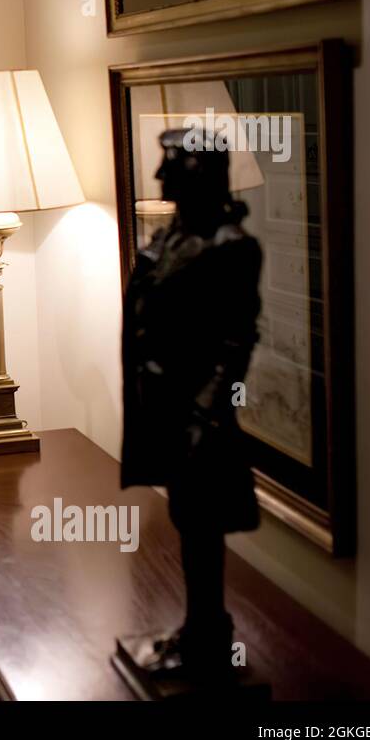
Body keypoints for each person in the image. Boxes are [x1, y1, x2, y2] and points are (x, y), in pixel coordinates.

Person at [120, 126, 262, 688]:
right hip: (164, 410)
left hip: (197, 420)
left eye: (170, 166)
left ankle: (208, 636)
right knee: (186, 519)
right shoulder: (175, 233)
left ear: (199, 171)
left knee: (202, 526)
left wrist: (207, 416)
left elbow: (236, 344)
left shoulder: (232, 246)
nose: (159, 177)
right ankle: (199, 627)